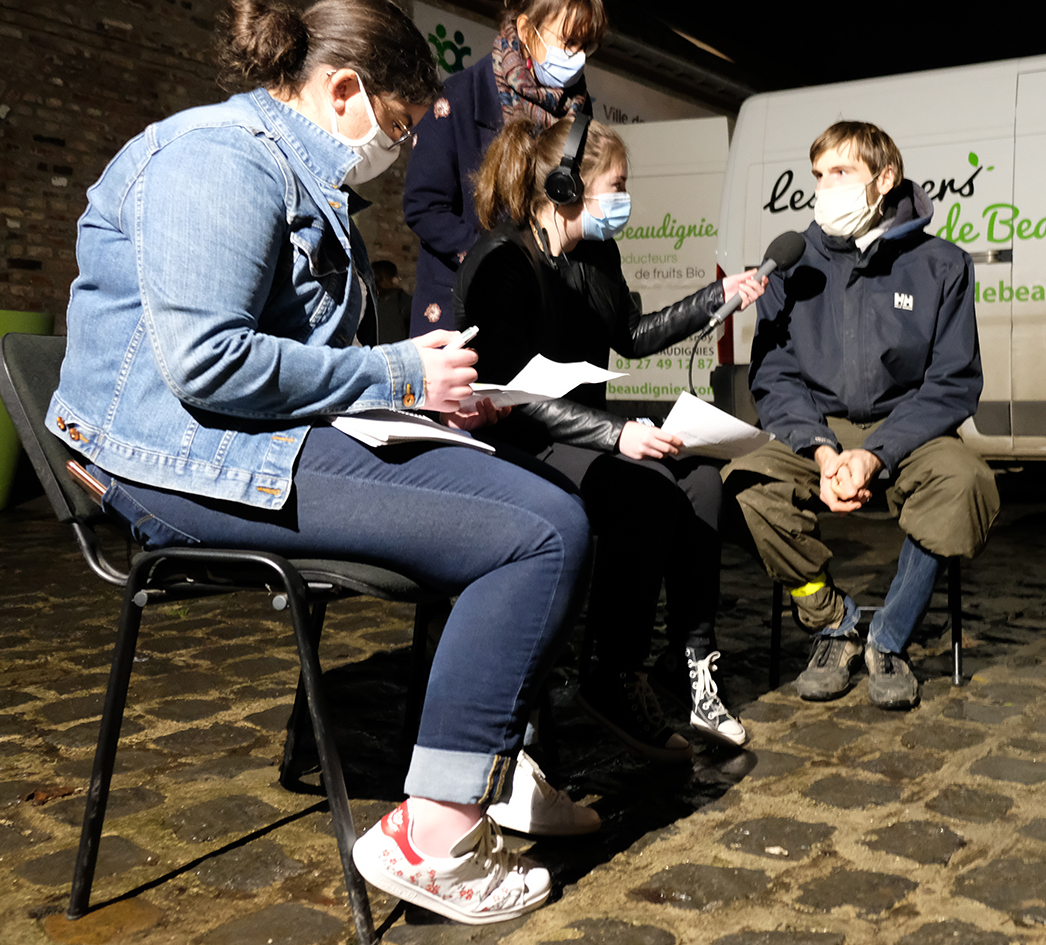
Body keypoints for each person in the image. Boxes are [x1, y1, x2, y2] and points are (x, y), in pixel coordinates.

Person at [44, 0, 594, 925]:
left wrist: (426, 409)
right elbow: (206, 361)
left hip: (256, 441)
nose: (400, 148)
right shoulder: (218, 159)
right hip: (182, 462)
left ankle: (492, 770)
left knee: (538, 493)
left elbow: (311, 366)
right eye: (399, 124)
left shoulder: (297, 171)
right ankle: (433, 834)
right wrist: (399, 376)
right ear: (344, 91)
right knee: (539, 532)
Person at [453, 113, 768, 758]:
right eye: (617, 183)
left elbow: (631, 335)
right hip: (525, 439)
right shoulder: (501, 263)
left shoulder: (596, 254)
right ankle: (609, 671)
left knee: (702, 480)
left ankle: (690, 664)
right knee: (647, 490)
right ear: (567, 186)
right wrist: (617, 435)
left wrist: (715, 299)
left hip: (587, 431)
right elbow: (511, 390)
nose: (626, 198)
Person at [722, 121, 1001, 711]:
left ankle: (888, 639)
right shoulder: (790, 263)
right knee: (742, 485)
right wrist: (823, 452)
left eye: (841, 173)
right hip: (818, 428)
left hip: (909, 429)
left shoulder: (941, 264)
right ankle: (834, 620)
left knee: (965, 483)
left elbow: (953, 382)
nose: (825, 188)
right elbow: (774, 376)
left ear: (885, 178)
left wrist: (876, 454)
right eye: (818, 175)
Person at [405, 0, 605, 336]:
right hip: (463, 309)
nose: (577, 57)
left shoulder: (580, 111)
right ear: (528, 30)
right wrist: (499, 259)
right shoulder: (457, 98)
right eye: (569, 41)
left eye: (586, 45)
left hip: (543, 310)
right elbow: (423, 206)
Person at [372, 259, 413, 343]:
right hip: (394, 352)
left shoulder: (364, 298)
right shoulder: (400, 298)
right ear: (393, 278)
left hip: (368, 352)